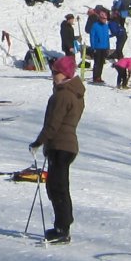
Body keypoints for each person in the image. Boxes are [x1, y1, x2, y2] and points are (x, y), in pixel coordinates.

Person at [30, 55, 85, 244]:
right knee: (58, 186)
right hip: (65, 145)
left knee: (57, 188)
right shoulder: (73, 92)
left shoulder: (63, 95)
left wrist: (39, 142)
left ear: (65, 74)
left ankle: (63, 228)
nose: (53, 75)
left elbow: (53, 123)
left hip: (61, 145)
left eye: (56, 72)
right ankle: (62, 225)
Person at [86, 8, 112, 84]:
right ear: (100, 18)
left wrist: (108, 47)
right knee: (97, 63)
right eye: (103, 19)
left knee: (101, 63)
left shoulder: (106, 26)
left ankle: (99, 77)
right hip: (97, 47)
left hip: (104, 47)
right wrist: (93, 47)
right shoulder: (95, 25)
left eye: (106, 19)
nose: (105, 20)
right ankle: (95, 77)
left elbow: (107, 37)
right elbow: (92, 36)